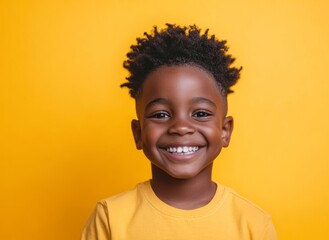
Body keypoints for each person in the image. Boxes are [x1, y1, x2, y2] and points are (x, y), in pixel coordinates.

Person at [81, 24, 278, 240]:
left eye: (201, 114)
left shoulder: (253, 224)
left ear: (225, 130)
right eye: (161, 115)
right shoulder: (110, 217)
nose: (181, 127)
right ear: (138, 133)